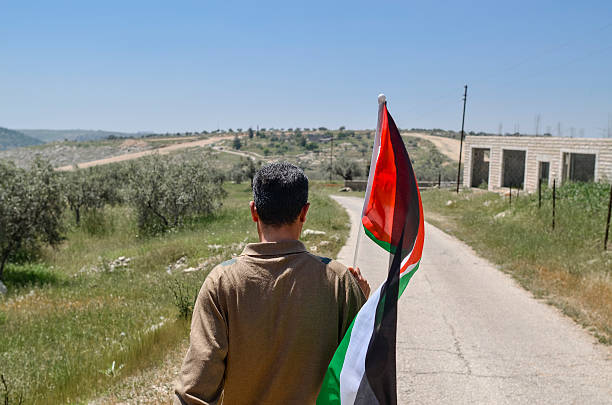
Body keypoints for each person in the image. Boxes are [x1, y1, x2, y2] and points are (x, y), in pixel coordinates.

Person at [174, 162, 370, 405]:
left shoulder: (222, 281)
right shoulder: (339, 281)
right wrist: (364, 308)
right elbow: (362, 376)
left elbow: (195, 390)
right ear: (304, 212)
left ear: (254, 211)